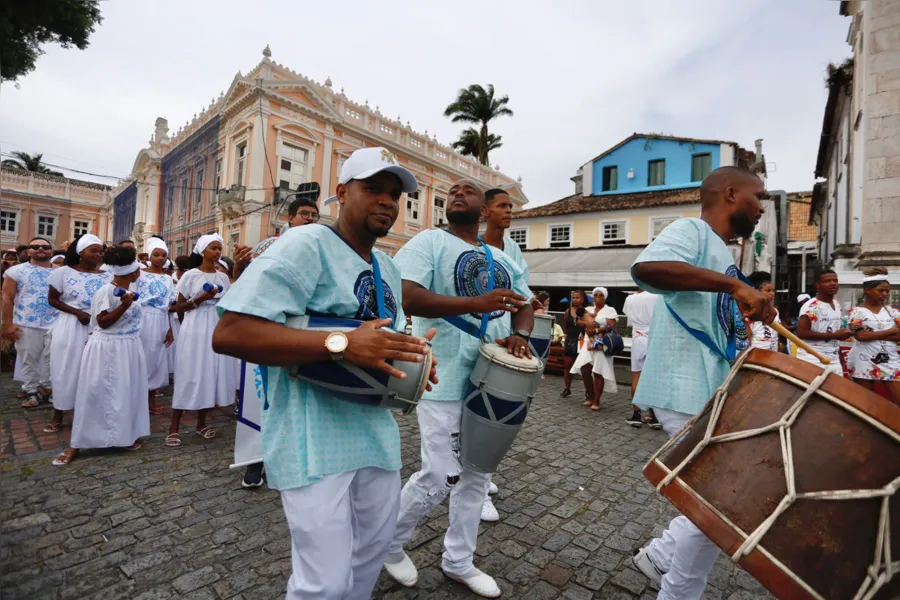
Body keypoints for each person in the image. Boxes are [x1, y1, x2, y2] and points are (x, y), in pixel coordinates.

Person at [213, 146, 435, 600]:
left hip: (375, 434)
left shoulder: (388, 269)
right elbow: (231, 333)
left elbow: (376, 344)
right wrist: (341, 342)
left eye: (395, 194)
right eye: (373, 189)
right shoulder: (304, 243)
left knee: (367, 562)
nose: (387, 202)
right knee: (323, 584)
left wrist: (411, 362)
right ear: (341, 193)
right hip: (309, 437)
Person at [382, 179, 533, 598]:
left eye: (468, 192)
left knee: (477, 475)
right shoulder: (429, 241)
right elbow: (407, 296)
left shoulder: (503, 257)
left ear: (483, 210)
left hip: (492, 378)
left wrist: (519, 335)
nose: (458, 195)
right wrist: (474, 304)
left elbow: (524, 305)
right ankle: (388, 544)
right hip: (443, 375)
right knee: (440, 474)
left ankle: (458, 561)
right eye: (452, 193)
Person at [629, 167, 772, 600]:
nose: (762, 206)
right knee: (718, 506)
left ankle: (660, 555)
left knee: (715, 503)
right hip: (683, 383)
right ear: (731, 194)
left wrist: (749, 304)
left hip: (709, 387)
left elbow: (716, 315)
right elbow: (648, 267)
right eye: (757, 196)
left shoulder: (723, 252)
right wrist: (733, 284)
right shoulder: (691, 229)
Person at [53, 246, 150, 466]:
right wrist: (124, 307)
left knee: (125, 392)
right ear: (135, 272)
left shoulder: (126, 289)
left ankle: (123, 436)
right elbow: (103, 322)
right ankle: (76, 444)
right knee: (96, 393)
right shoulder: (107, 291)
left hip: (129, 346)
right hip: (109, 347)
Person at [478, 187, 537, 522]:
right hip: (470, 333)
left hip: (501, 336)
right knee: (468, 417)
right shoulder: (471, 244)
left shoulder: (512, 248)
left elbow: (522, 291)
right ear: (485, 211)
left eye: (511, 206)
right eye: (502, 206)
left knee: (495, 414)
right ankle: (474, 485)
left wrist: (522, 326)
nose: (509, 211)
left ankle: (482, 479)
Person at [166, 234, 234, 446]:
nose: (217, 252)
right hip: (194, 327)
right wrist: (200, 299)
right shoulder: (190, 276)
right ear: (203, 250)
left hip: (215, 324)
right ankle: (174, 428)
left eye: (219, 248)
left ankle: (201, 424)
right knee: (189, 372)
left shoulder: (223, 278)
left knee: (210, 372)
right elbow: (178, 308)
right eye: (213, 248)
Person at [44, 234, 111, 432]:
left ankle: (92, 414)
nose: (98, 255)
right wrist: (76, 312)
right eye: (94, 251)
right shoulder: (63, 273)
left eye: (101, 251)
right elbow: (53, 299)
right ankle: (59, 413)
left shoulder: (107, 275)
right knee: (65, 368)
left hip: (98, 327)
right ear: (80, 252)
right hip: (71, 326)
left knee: (95, 372)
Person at [1, 237, 58, 407]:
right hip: (26, 323)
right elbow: (7, 298)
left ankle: (48, 389)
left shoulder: (62, 272)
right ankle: (31, 391)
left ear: (51, 251)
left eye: (45, 247)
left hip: (56, 323)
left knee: (53, 359)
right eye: (36, 246)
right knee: (29, 359)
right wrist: (8, 324)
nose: (41, 249)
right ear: (28, 251)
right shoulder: (15, 271)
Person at [848, 267, 900, 402]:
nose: (885, 294)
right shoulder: (857, 312)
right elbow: (861, 337)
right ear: (867, 290)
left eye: (887, 291)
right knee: (866, 403)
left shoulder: (892, 312)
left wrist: (871, 333)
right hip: (863, 360)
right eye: (880, 290)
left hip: (890, 360)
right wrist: (890, 331)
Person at [136, 238, 176, 415]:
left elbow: (170, 305)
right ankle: (137, 401)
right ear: (149, 256)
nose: (160, 258)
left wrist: (169, 328)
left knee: (156, 361)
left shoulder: (168, 279)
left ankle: (150, 402)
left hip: (160, 319)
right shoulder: (138, 274)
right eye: (156, 255)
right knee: (141, 359)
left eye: (163, 255)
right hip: (142, 318)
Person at [573, 286, 618, 410]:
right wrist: (587, 324)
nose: (597, 297)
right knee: (585, 368)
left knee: (598, 371)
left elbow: (611, 326)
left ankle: (597, 400)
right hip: (588, 340)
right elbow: (579, 322)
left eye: (600, 295)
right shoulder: (587, 309)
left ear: (605, 297)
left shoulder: (610, 310)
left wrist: (597, 329)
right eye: (595, 295)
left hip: (602, 341)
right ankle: (590, 396)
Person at [795, 269, 850, 370]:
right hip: (813, 359)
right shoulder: (810, 306)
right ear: (818, 285)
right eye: (827, 281)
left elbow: (835, 333)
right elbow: (801, 333)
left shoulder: (836, 304)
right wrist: (835, 336)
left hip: (833, 359)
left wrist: (841, 359)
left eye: (835, 280)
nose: (833, 284)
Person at [622, 289, 660, 428]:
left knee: (637, 375)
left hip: (638, 337)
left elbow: (629, 318)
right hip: (653, 337)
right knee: (653, 377)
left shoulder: (630, 299)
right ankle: (654, 416)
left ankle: (636, 414)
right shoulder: (658, 296)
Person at [561, 290, 592, 400]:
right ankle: (567, 388)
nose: (574, 299)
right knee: (568, 365)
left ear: (582, 299)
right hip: (571, 340)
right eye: (573, 297)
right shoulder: (568, 311)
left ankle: (588, 391)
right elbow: (565, 326)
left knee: (585, 368)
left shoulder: (587, 312)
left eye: (577, 297)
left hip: (583, 341)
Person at [747, 271, 780, 352]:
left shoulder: (775, 311)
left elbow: (775, 335)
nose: (772, 294)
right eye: (768, 291)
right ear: (757, 291)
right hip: (755, 352)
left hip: (772, 352)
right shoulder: (750, 311)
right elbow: (748, 336)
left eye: (773, 290)